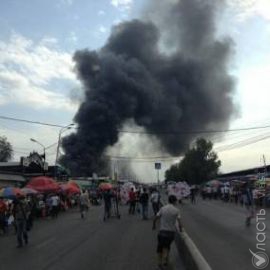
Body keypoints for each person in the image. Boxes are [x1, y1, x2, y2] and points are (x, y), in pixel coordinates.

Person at [153, 195, 183, 268]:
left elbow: (156, 217)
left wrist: (153, 225)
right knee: (166, 247)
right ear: (174, 201)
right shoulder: (176, 210)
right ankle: (165, 261)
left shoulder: (163, 208)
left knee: (160, 247)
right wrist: (181, 229)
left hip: (162, 232)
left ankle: (160, 262)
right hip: (170, 233)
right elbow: (179, 222)